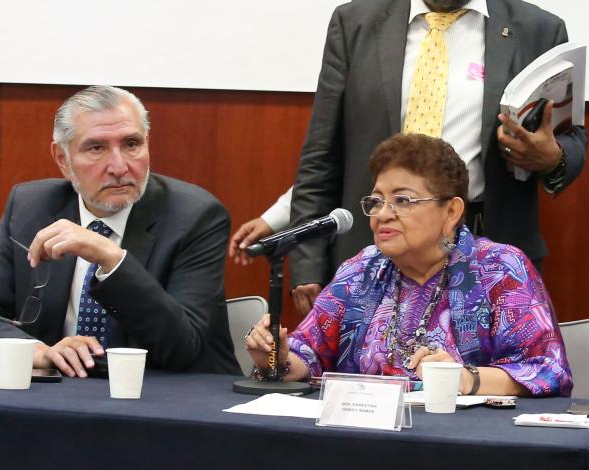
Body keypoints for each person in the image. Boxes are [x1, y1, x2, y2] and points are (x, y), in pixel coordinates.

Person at [235, 0, 585, 316]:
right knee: (368, 378)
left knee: (476, 378)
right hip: (373, 248)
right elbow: (322, 155)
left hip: (484, 249)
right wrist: (309, 264)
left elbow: (570, 138)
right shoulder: (355, 22)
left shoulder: (537, 29)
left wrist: (551, 157)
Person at [0, 85, 240, 377]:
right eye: (97, 148)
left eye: (131, 144)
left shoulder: (195, 216)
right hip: (59, 397)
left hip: (164, 400)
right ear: (62, 158)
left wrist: (112, 260)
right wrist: (38, 351)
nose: (119, 166)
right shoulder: (31, 207)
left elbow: (183, 348)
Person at [245, 133, 572, 397]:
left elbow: (546, 369)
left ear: (452, 212)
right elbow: (310, 354)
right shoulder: (362, 270)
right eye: (376, 201)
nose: (383, 214)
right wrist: (278, 357)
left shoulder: (499, 269)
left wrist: (464, 379)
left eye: (403, 200)